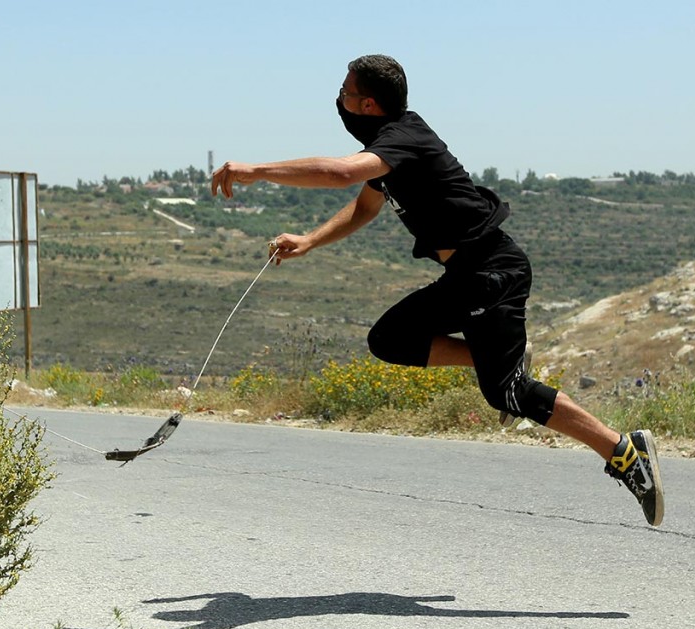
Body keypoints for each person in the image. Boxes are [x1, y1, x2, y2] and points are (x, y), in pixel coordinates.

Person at [211, 55, 664, 526]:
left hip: (492, 271)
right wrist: (310, 240)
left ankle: (624, 451)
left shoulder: (405, 136)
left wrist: (258, 170)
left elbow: (341, 173)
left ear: (367, 103)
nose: (339, 101)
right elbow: (364, 205)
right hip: (467, 277)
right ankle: (496, 361)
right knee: (389, 339)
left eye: (344, 94)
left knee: (508, 395)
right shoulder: (388, 152)